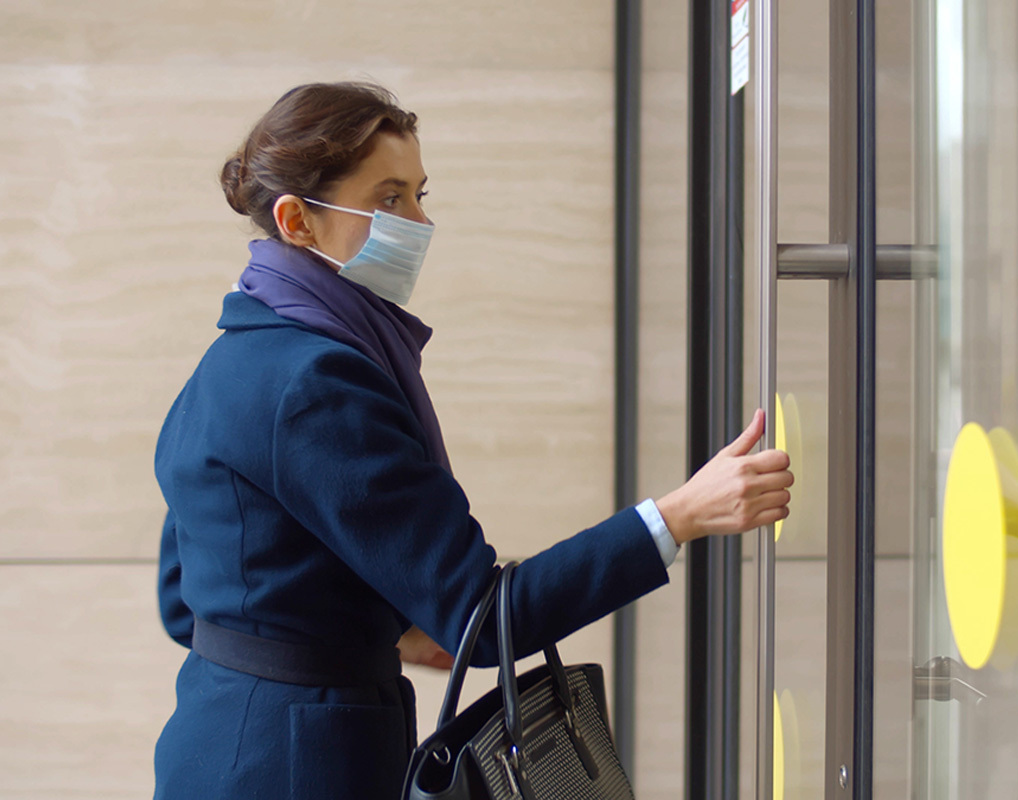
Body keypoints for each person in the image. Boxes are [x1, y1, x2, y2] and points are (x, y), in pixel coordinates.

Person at [152, 81, 793, 800]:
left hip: (216, 747)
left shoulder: (234, 355)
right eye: (390, 198)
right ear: (297, 220)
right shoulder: (319, 382)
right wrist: (678, 516)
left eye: (421, 194)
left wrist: (371, 631)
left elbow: (185, 604)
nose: (420, 221)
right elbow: (484, 620)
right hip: (300, 769)